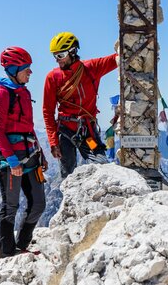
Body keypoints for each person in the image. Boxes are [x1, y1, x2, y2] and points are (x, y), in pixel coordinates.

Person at [0, 47, 47, 258]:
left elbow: (29, 127)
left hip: (30, 156)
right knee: (10, 206)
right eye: (27, 69)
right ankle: (6, 252)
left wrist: (40, 153)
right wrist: (13, 161)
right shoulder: (1, 94)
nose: (30, 73)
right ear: (14, 69)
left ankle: (22, 245)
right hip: (10, 160)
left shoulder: (24, 92)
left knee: (38, 204)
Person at [43, 32, 118, 178]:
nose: (57, 60)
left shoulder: (91, 68)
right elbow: (48, 111)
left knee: (101, 165)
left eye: (60, 55)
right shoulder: (52, 77)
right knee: (67, 175)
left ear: (72, 51)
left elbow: (116, 59)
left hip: (87, 133)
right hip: (65, 133)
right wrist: (53, 143)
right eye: (55, 56)